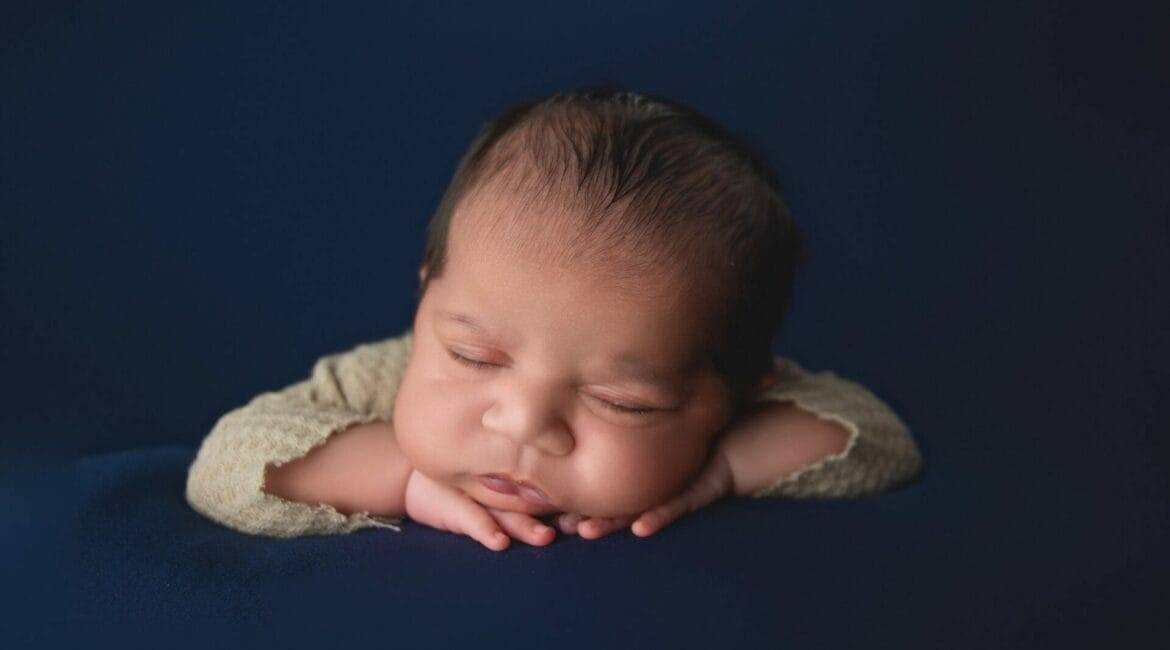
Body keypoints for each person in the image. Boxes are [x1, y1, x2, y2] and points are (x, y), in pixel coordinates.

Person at [185, 86, 923, 551]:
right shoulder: (384, 375)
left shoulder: (731, 415)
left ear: (732, 389)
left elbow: (879, 443)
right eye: (475, 357)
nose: (524, 423)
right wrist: (405, 475)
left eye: (621, 401)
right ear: (425, 301)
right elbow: (226, 466)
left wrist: (724, 468)